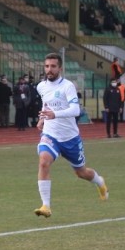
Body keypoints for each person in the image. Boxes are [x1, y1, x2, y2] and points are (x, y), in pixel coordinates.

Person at [34, 53, 109, 218]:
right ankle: (46, 206)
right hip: (51, 134)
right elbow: (45, 104)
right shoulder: (41, 86)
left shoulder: (67, 86)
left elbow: (76, 110)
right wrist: (42, 119)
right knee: (43, 162)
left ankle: (100, 182)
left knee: (81, 172)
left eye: (53, 66)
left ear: (60, 68)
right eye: (47, 66)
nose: (49, 70)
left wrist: (55, 114)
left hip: (70, 138)